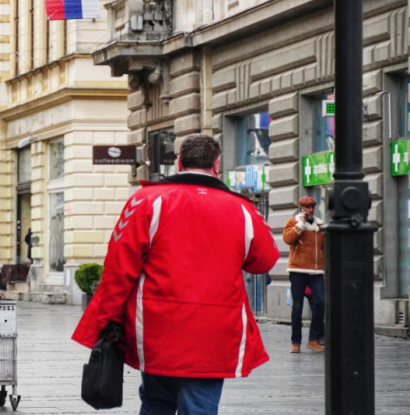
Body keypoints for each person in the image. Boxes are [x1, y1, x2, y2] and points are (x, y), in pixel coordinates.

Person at [72, 134, 279, 415]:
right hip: (214, 332)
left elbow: (119, 269)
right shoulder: (244, 210)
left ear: (179, 162)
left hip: (158, 328)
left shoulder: (146, 201)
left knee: (156, 403)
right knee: (201, 408)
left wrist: (106, 319)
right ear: (216, 165)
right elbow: (263, 261)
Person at [283, 196, 326, 354]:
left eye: (312, 206)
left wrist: (325, 269)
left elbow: (325, 249)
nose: (311, 209)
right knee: (298, 306)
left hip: (316, 271)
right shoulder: (293, 222)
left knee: (320, 302)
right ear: (301, 208)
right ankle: (296, 342)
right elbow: (288, 239)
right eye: (307, 207)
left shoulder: (320, 225)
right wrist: (300, 224)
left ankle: (313, 339)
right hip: (297, 270)